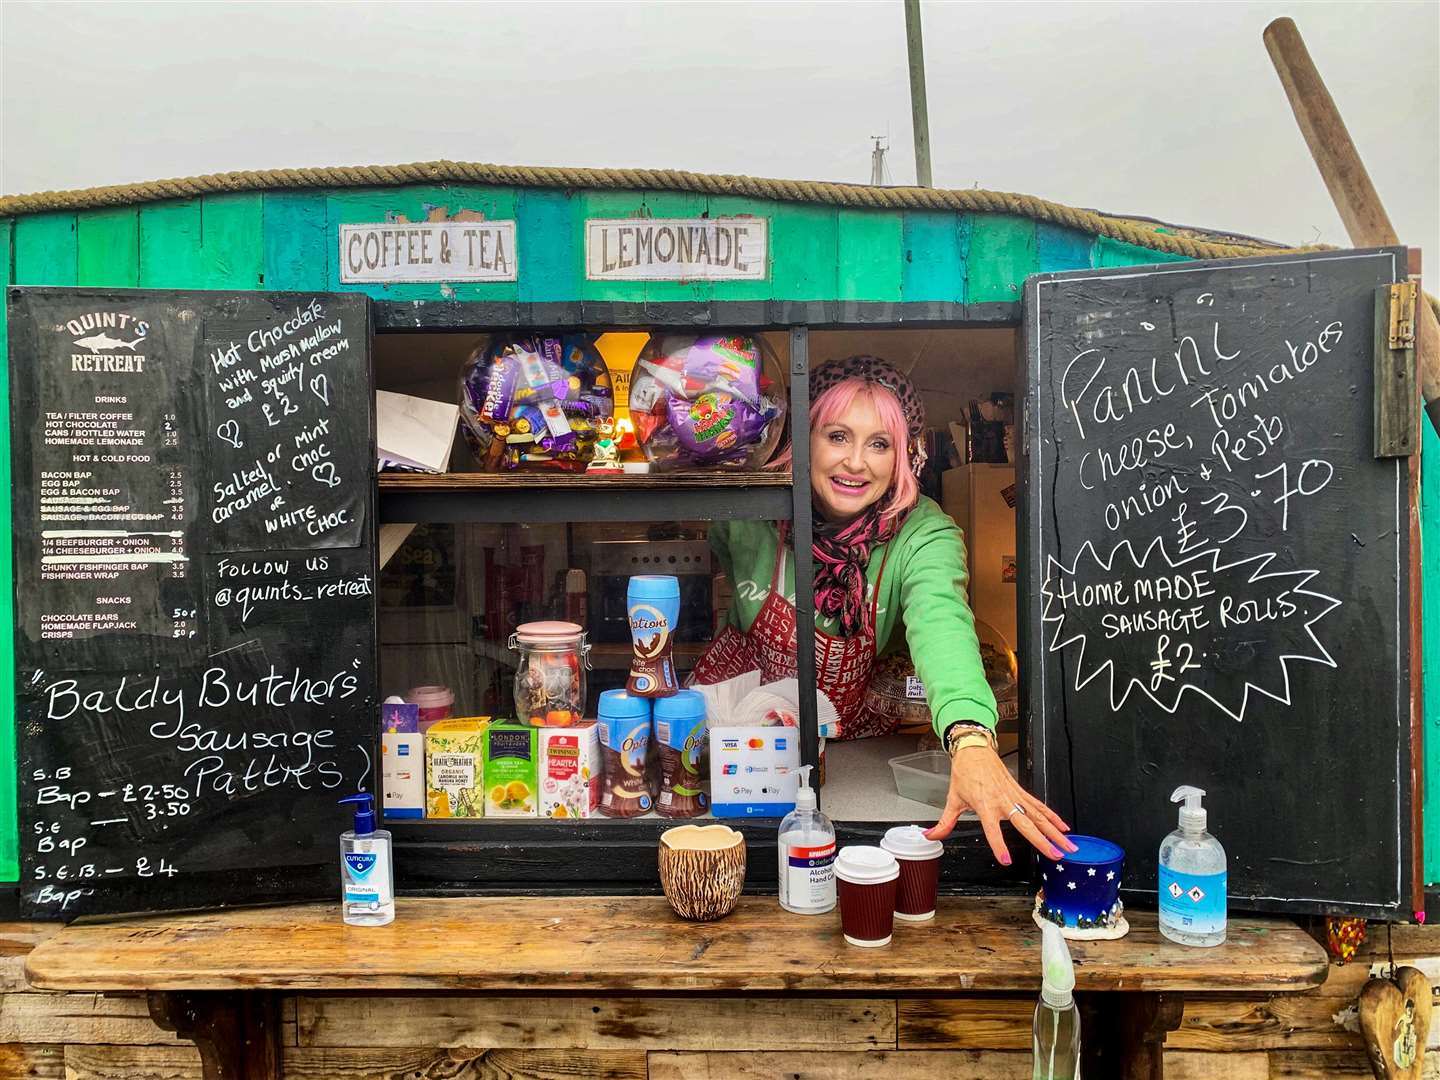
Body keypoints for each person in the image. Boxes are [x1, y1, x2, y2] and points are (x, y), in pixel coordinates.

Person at [692, 355, 1074, 864]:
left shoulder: (923, 533)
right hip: (732, 747)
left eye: (879, 444)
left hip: (852, 755)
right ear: (801, 439)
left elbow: (942, 623)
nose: (856, 463)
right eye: (837, 436)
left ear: (901, 456)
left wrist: (971, 738)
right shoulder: (750, 510)